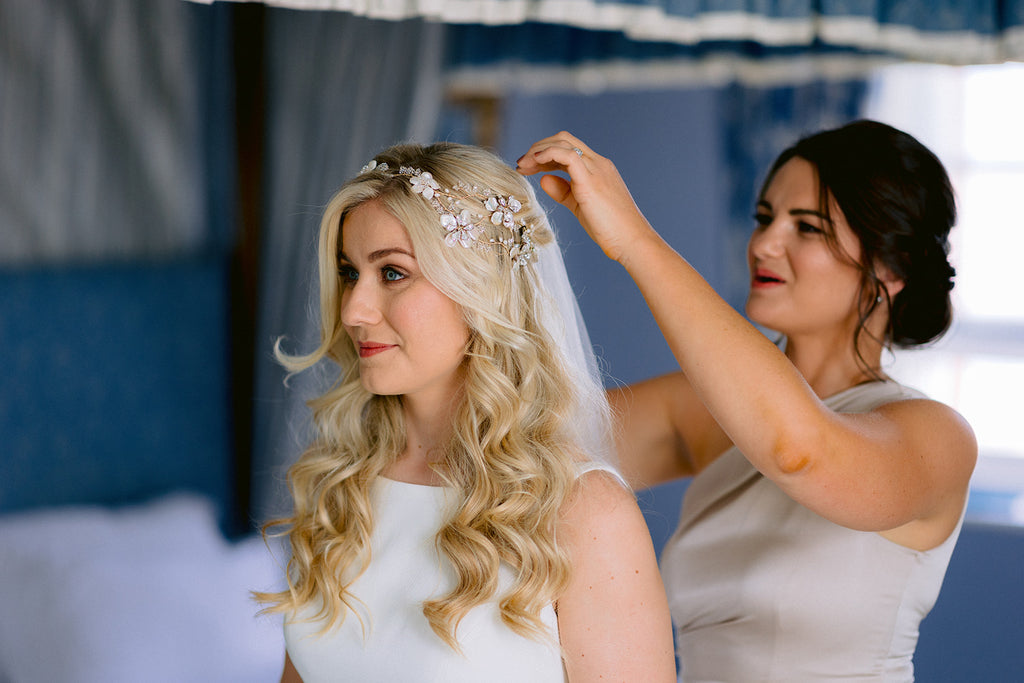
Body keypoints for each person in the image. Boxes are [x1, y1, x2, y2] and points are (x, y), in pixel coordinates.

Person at [516, 120, 977, 682]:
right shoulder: (701, 406)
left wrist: (636, 242)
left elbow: (800, 451)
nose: (763, 243)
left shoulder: (936, 437)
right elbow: (519, 455)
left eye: (806, 228)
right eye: (764, 218)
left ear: (891, 266)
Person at [255, 142, 676, 683]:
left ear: (483, 287)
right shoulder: (338, 488)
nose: (354, 311)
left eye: (392, 274)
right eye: (349, 272)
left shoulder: (583, 513)